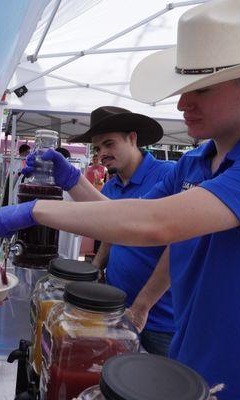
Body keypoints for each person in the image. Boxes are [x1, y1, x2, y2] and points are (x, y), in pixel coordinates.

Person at [0, 1, 240, 398]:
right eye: (184, 89)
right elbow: (121, 216)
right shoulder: (194, 163)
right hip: (190, 362)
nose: (183, 104)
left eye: (200, 89)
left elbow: (156, 224)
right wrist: (71, 180)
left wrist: (36, 209)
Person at [70, 106, 176, 356]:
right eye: (98, 148)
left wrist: (142, 305)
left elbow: (182, 245)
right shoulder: (109, 189)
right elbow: (113, 233)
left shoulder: (169, 176)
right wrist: (95, 268)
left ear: (132, 138)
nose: (103, 153)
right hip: (118, 310)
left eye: (109, 144)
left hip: (164, 319)